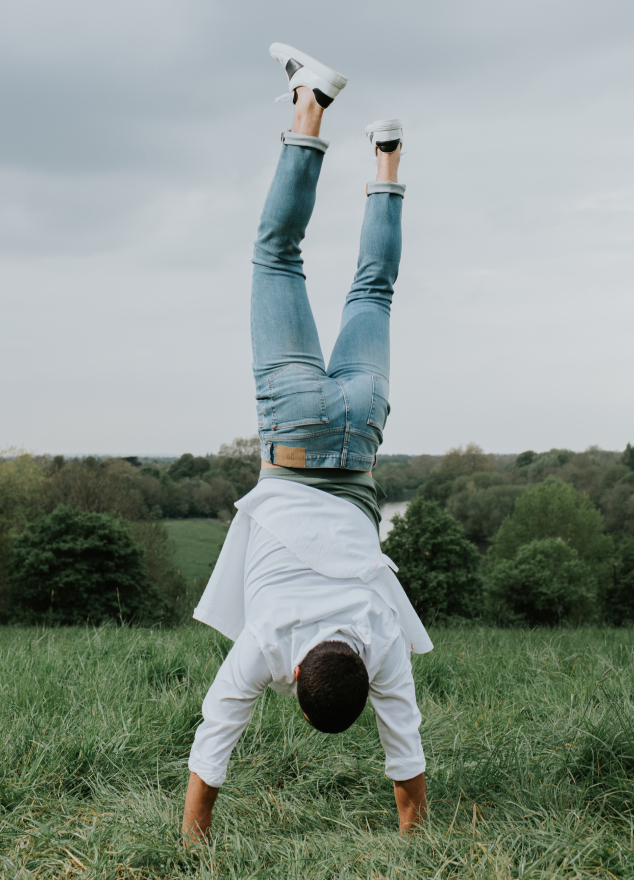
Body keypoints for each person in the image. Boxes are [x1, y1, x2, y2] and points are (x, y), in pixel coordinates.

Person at [182, 43, 433, 840]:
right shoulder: (264, 643)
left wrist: (414, 829)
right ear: (295, 675)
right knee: (275, 257)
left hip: (358, 432)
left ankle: (387, 158)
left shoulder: (382, 640)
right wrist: (193, 837)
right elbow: (214, 740)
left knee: (373, 290)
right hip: (291, 433)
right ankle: (309, 103)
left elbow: (408, 757)